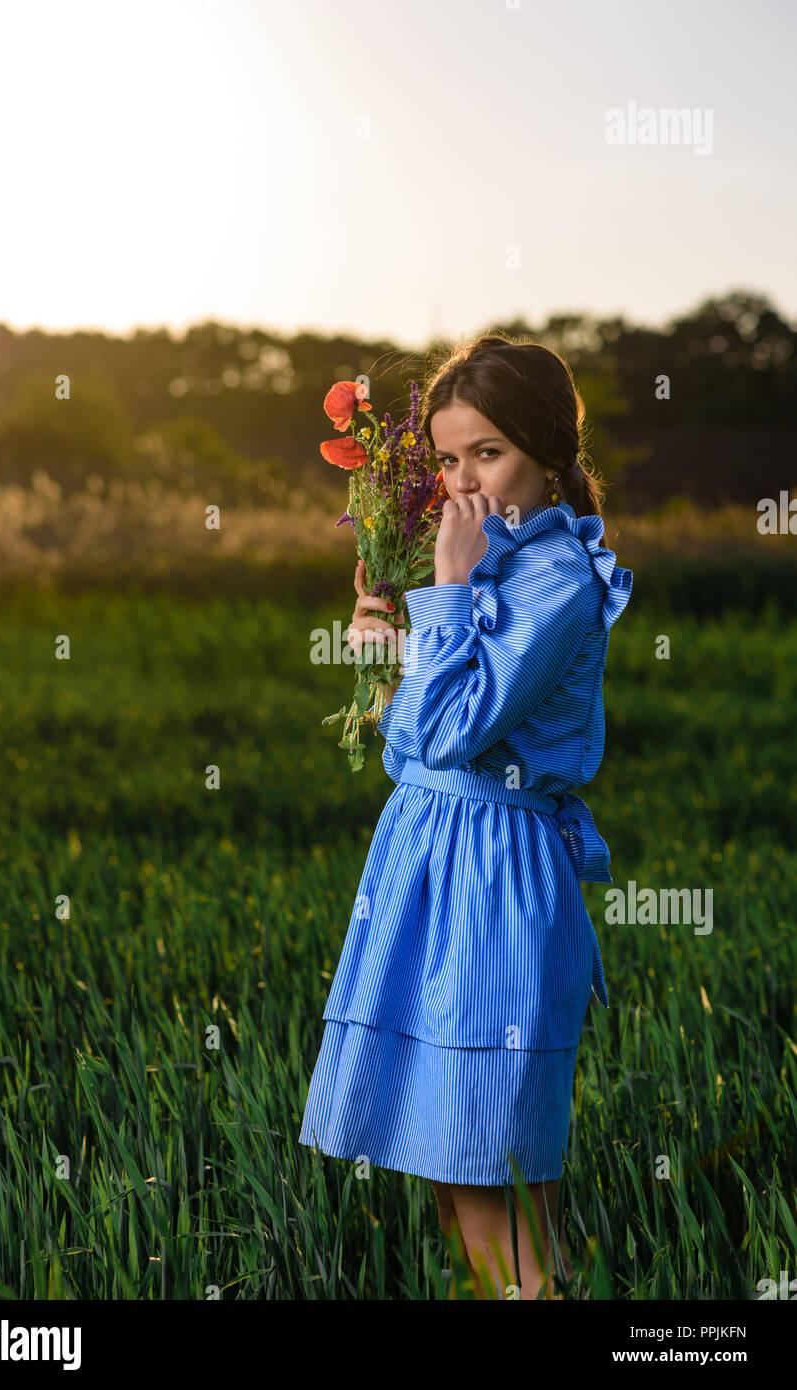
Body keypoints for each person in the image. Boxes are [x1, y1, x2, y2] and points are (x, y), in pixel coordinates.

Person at [298, 333, 633, 1299]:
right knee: (453, 1175)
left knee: (497, 1184)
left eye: (485, 453)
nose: (460, 483)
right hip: (425, 856)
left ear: (545, 450)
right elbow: (412, 748)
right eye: (446, 460)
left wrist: (444, 591)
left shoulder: (555, 580)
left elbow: (450, 733)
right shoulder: (488, 561)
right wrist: (388, 645)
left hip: (494, 875)